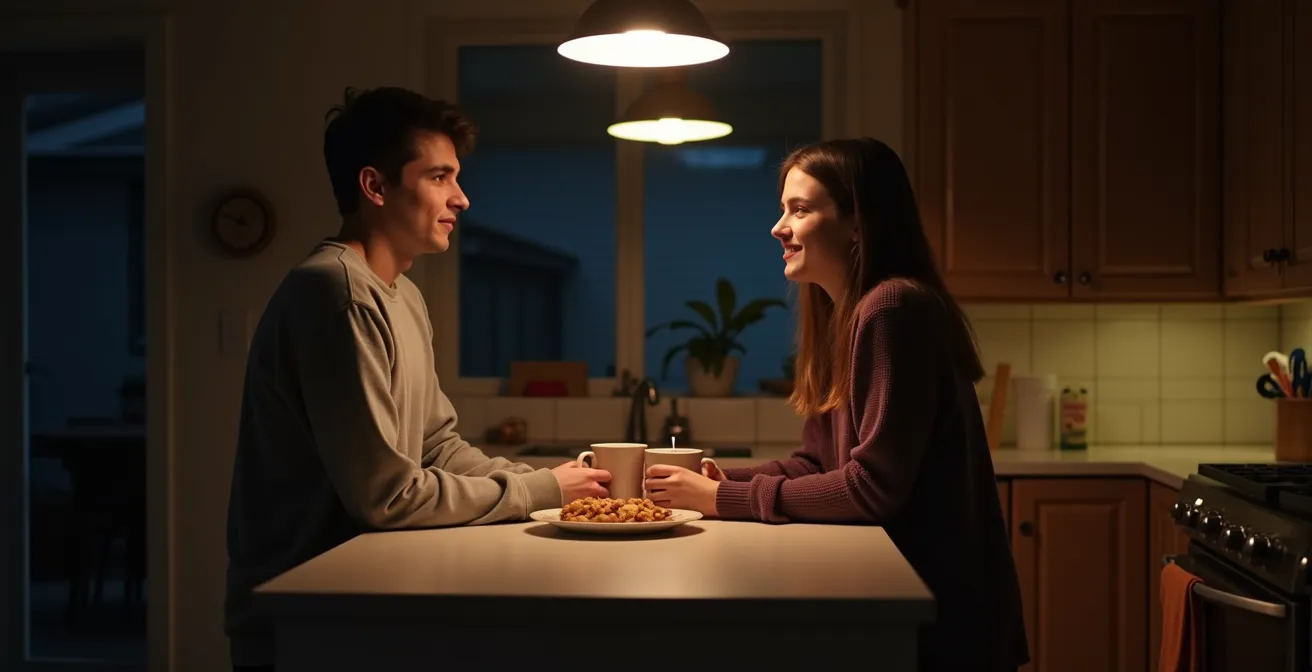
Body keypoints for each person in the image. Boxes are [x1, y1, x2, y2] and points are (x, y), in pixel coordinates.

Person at [223, 86, 611, 672]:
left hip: (359, 604)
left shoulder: (401, 294)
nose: (462, 198)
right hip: (304, 617)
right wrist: (542, 492)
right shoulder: (338, 292)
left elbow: (436, 445)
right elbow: (388, 498)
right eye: (439, 177)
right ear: (375, 186)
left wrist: (545, 482)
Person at [644, 138, 1029, 672]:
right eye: (783, 209)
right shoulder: (842, 316)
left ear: (857, 222)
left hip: (937, 611)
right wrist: (719, 480)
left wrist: (719, 500)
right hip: (901, 594)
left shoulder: (892, 307)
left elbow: (871, 489)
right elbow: (818, 464)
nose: (778, 227)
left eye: (799, 209)